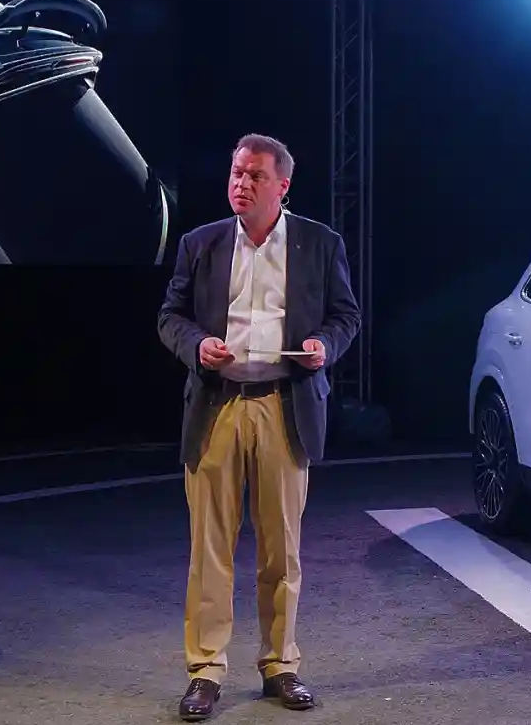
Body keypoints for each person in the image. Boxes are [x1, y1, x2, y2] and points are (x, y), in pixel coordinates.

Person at [156, 133, 360, 720]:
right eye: (236, 173)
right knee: (210, 549)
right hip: (217, 405)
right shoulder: (201, 243)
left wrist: (325, 346)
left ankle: (280, 665)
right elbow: (170, 317)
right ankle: (205, 671)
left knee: (281, 549)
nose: (241, 184)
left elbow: (346, 315)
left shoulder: (320, 243)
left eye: (255, 176)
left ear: (282, 185)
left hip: (283, 404)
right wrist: (198, 346)